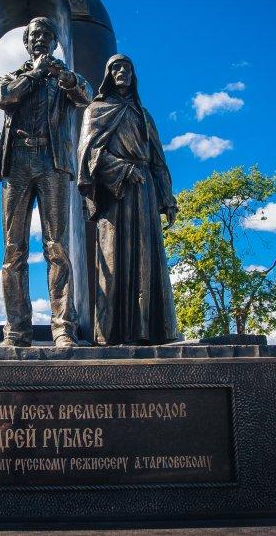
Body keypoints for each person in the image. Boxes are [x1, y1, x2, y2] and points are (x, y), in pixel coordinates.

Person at [0, 17, 93, 347]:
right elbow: (4, 96)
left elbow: (85, 97)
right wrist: (35, 73)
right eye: (35, 35)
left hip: (53, 163)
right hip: (18, 163)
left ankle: (64, 328)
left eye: (47, 35)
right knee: (13, 249)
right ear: (27, 42)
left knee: (57, 247)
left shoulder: (63, 80)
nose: (41, 39)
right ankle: (17, 330)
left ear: (54, 43)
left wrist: (64, 77)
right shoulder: (12, 77)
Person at [77, 54, 179, 345]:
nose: (122, 72)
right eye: (116, 68)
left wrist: (167, 197)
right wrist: (121, 169)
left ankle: (146, 330)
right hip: (115, 193)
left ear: (133, 75)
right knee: (113, 253)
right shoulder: (96, 110)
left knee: (145, 256)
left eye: (127, 68)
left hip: (144, 189)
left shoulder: (143, 116)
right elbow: (87, 154)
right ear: (108, 74)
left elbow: (158, 159)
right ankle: (111, 332)